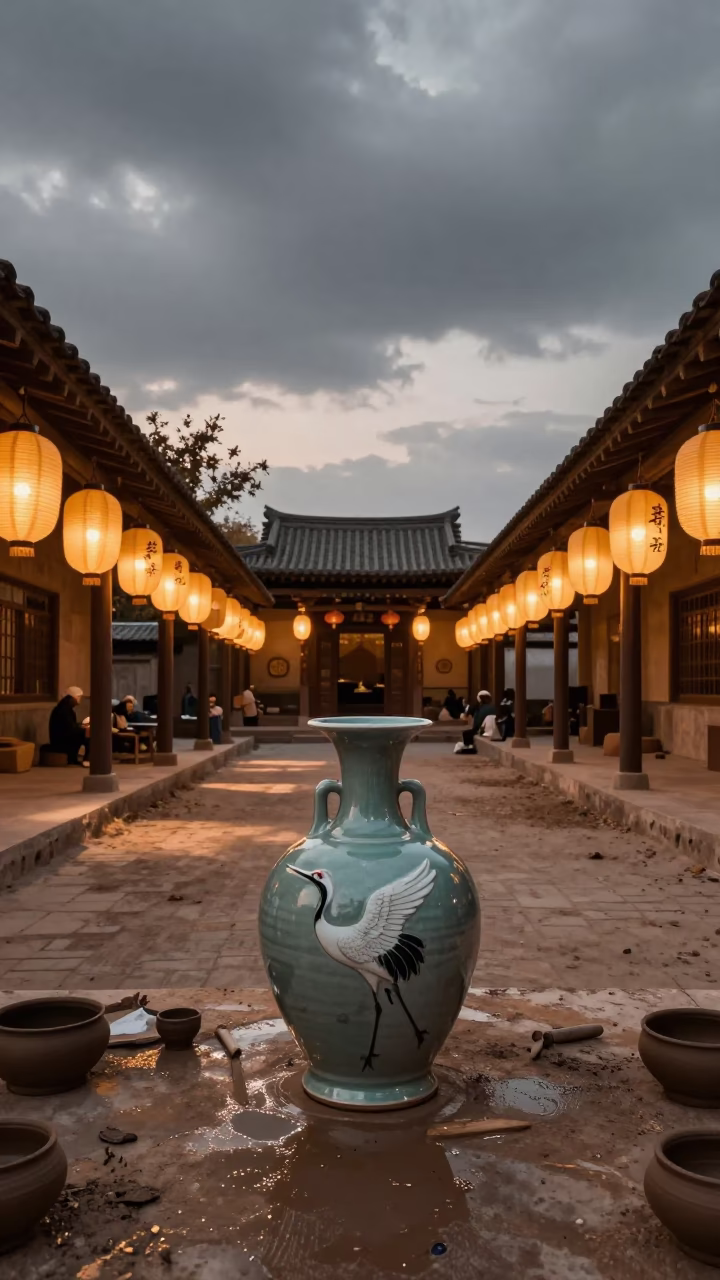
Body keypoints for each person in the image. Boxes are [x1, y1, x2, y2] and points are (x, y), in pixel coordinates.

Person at [49, 686, 88, 765]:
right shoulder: (63, 710)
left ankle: (77, 758)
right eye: (78, 697)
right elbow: (69, 729)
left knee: (86, 733)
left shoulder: (65, 709)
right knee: (86, 735)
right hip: (61, 740)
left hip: (64, 736)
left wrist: (81, 726)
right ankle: (86, 759)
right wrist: (82, 728)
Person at [455, 690, 495, 755]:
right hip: (494, 729)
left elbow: (477, 724)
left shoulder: (480, 709)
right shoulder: (493, 707)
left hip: (483, 730)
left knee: (466, 733)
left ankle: (469, 746)